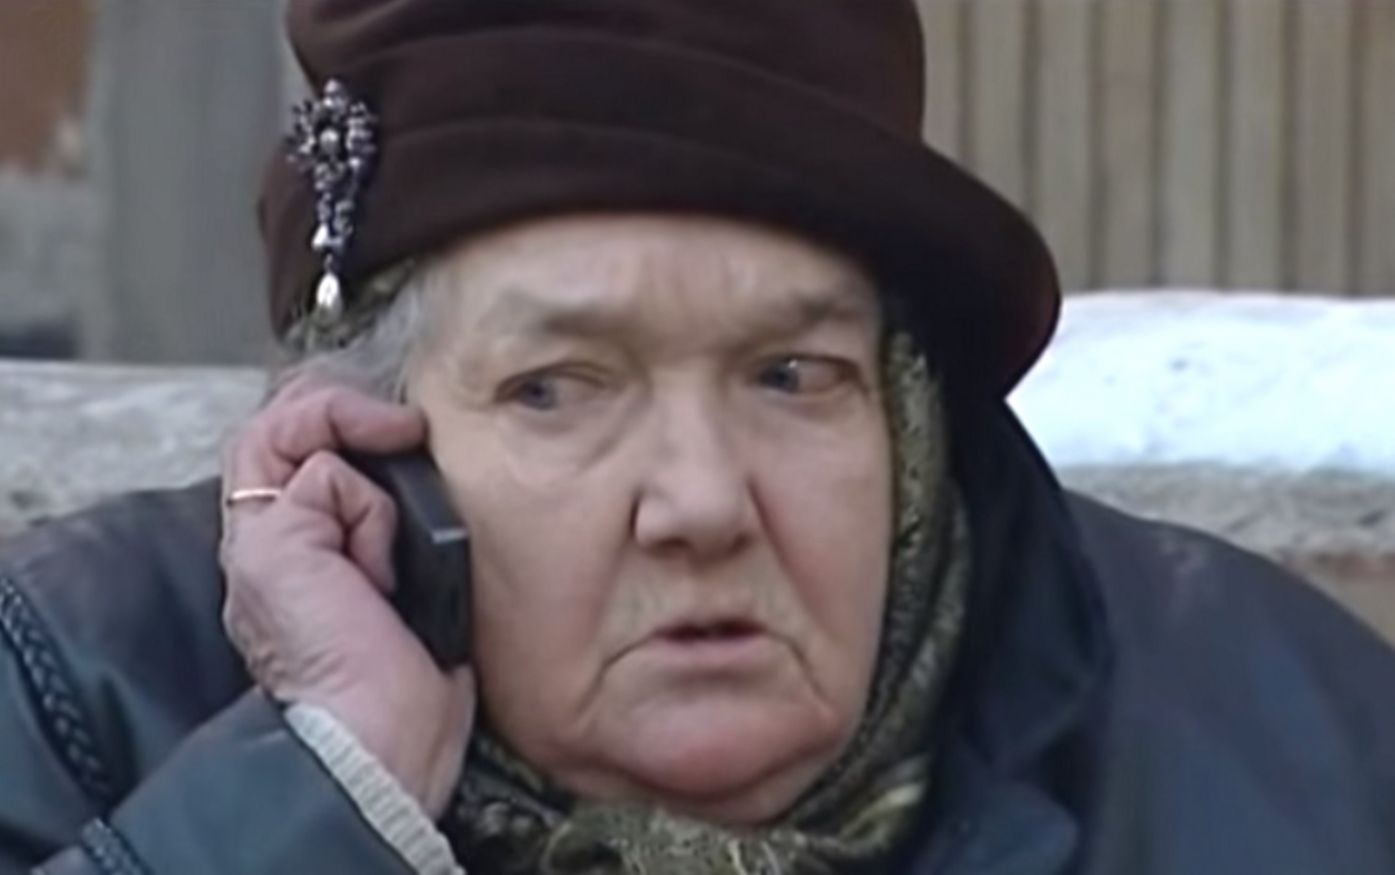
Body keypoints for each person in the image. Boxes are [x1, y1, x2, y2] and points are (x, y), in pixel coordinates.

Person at [2, 1, 1392, 873]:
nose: (703, 503)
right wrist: (325, 792)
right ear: (368, 451)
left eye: (791, 376)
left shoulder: (1298, 740)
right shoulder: (77, 703)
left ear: (906, 414)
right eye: (558, 388)